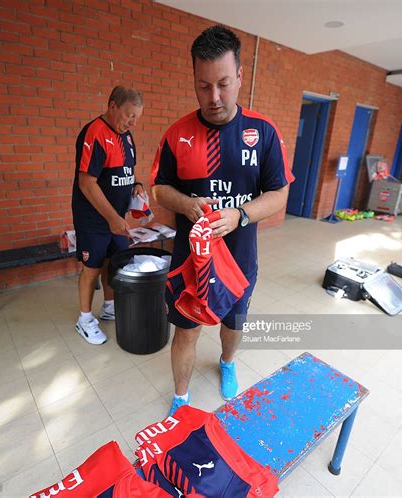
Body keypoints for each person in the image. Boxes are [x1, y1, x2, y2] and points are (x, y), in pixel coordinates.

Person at [151, 25, 294, 414]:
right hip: (190, 259)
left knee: (234, 322)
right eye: (203, 86)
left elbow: (280, 194)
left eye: (223, 84)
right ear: (193, 81)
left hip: (239, 259)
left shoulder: (262, 132)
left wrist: (241, 214)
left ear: (240, 77)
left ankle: (227, 364)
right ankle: (181, 398)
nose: (213, 97)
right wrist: (185, 203)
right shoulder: (177, 134)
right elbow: (158, 189)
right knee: (187, 327)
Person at [72, 86, 144, 345]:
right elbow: (86, 183)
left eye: (137, 117)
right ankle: (84, 319)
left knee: (115, 262)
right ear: (112, 105)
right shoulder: (95, 133)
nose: (132, 122)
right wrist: (113, 218)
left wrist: (137, 185)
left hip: (117, 218)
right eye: (128, 115)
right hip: (93, 219)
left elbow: (126, 171)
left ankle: (109, 306)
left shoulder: (127, 136)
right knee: (92, 267)